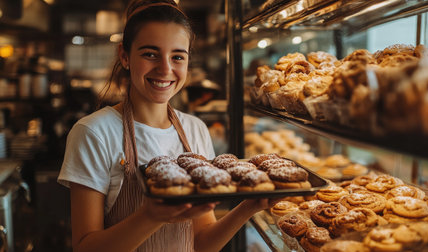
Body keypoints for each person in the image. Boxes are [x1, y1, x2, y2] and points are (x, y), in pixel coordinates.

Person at [57, 1, 278, 251]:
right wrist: (151, 216)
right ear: (124, 56)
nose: (165, 69)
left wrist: (250, 206)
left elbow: (201, 242)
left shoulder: (195, 129)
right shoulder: (94, 133)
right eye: (150, 54)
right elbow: (84, 247)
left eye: (177, 57)